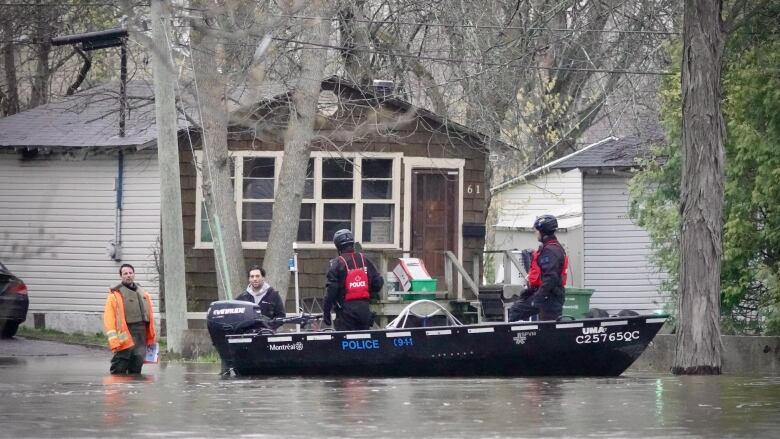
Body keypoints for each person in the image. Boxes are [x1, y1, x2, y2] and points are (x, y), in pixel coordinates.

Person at [508, 214, 569, 321]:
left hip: (550, 297)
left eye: (537, 230)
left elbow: (551, 278)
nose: (535, 233)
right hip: (548, 295)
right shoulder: (552, 248)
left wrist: (538, 298)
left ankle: (511, 336)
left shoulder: (550, 251)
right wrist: (530, 292)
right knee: (517, 310)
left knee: (517, 312)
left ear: (543, 231)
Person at [323, 229, 384, 331]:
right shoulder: (365, 260)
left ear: (338, 246)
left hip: (345, 312)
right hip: (364, 310)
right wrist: (368, 294)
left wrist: (326, 312)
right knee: (364, 341)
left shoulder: (338, 263)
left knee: (345, 342)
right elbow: (378, 283)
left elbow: (331, 290)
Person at [103, 263, 156, 374]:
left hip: (141, 335)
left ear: (134, 274)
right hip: (125, 335)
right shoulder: (115, 295)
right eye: (125, 273)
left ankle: (133, 389)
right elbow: (109, 319)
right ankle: (117, 389)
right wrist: (114, 341)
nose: (128, 275)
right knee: (119, 368)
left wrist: (151, 338)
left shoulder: (143, 293)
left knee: (137, 367)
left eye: (130, 273)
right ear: (121, 276)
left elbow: (150, 317)